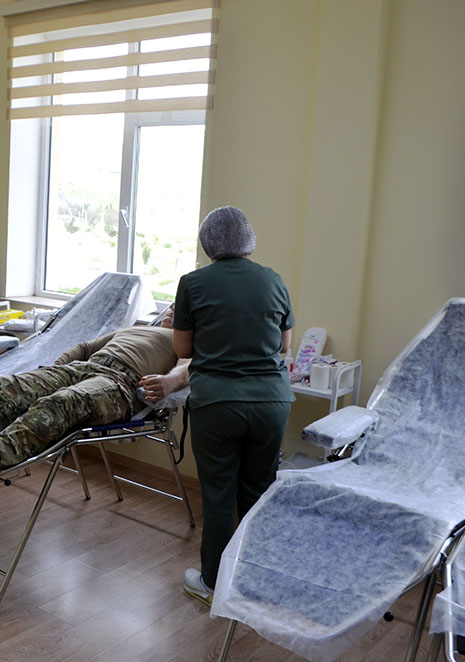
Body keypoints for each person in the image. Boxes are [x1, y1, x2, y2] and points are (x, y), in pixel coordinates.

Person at [0, 312, 189, 489]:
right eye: (172, 307)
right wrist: (56, 372)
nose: (173, 311)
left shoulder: (186, 343)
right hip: (82, 368)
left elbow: (188, 368)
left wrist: (169, 382)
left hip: (121, 383)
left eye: (181, 310)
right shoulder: (135, 328)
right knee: (6, 388)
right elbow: (85, 347)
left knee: (61, 404)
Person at [171, 206, 294, 608]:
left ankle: (213, 585)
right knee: (259, 493)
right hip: (272, 402)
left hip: (217, 403)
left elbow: (183, 348)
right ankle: (253, 582)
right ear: (248, 239)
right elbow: (284, 345)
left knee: (220, 495)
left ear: (207, 242)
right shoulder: (273, 279)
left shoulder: (193, 283)